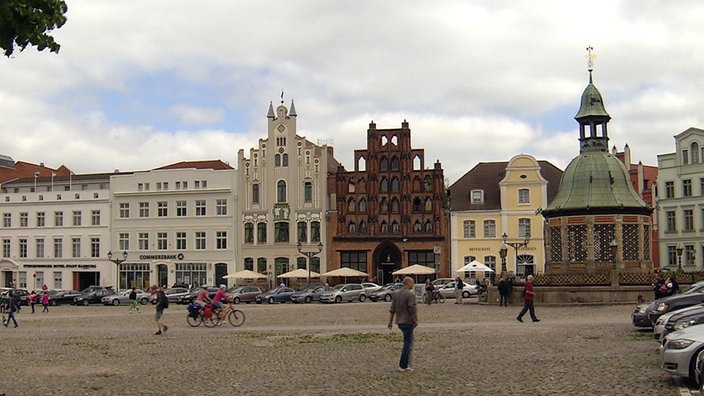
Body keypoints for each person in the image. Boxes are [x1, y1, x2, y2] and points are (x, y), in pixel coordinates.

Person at [387, 276, 417, 372]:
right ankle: (403, 365)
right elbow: (412, 309)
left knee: (407, 341)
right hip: (407, 321)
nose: (413, 285)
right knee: (408, 343)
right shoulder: (410, 295)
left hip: (399, 321)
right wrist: (416, 320)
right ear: (408, 283)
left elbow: (392, 310)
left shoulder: (397, 294)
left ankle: (405, 364)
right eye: (412, 283)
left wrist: (390, 322)